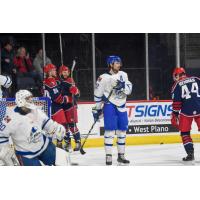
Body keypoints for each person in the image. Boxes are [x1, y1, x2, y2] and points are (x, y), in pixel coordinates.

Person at [0, 89, 68, 166]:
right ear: (20, 101)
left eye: (30, 98)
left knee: (62, 161)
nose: (30, 101)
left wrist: (56, 128)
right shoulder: (10, 118)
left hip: (45, 147)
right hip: (26, 155)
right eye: (28, 99)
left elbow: (46, 123)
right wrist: (5, 149)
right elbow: (2, 135)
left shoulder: (35, 110)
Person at [93, 55, 132, 165]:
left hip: (122, 105)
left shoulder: (123, 75)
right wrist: (96, 109)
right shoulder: (103, 77)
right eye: (116, 63)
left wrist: (122, 87)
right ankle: (109, 156)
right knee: (109, 130)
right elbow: (98, 95)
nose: (119, 65)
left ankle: (121, 156)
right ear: (110, 64)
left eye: (119, 63)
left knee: (122, 131)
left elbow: (129, 90)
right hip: (109, 105)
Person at [171, 67, 200, 162]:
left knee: (185, 133)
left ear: (177, 75)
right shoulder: (196, 79)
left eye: (175, 76)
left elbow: (177, 102)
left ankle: (190, 154)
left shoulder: (177, 85)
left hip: (186, 111)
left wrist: (175, 113)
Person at [43, 64, 72, 147]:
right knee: (62, 125)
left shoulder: (45, 81)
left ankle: (59, 144)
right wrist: (67, 99)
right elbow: (57, 98)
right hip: (56, 107)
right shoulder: (51, 81)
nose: (55, 71)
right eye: (54, 70)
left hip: (49, 107)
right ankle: (61, 145)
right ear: (49, 72)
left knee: (53, 128)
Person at [59, 65, 81, 152]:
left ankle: (78, 142)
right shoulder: (59, 81)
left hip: (71, 106)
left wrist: (75, 91)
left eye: (67, 72)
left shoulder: (69, 81)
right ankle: (67, 143)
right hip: (62, 106)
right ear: (60, 72)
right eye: (64, 72)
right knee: (64, 126)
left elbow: (78, 94)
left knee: (72, 125)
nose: (66, 73)